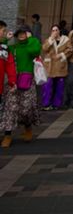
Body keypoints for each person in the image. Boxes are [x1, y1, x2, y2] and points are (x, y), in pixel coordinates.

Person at [8, 26, 41, 142]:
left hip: (27, 80)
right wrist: (7, 39)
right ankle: (8, 135)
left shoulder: (33, 43)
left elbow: (35, 51)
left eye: (24, 33)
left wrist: (30, 39)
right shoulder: (14, 47)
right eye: (19, 34)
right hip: (14, 80)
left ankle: (28, 128)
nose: (22, 35)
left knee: (26, 108)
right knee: (12, 108)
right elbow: (5, 50)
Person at [40, 24, 72, 110]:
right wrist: (51, 40)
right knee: (47, 85)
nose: (55, 32)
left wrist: (62, 55)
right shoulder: (48, 40)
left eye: (56, 30)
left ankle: (56, 104)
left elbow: (70, 50)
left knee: (59, 86)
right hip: (49, 66)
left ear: (59, 31)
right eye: (53, 30)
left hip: (60, 65)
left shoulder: (66, 40)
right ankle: (46, 104)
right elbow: (44, 49)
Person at [0, 20, 17, 148]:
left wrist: (12, 81)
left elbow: (10, 65)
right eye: (3, 30)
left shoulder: (4, 48)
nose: (4, 33)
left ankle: (7, 135)